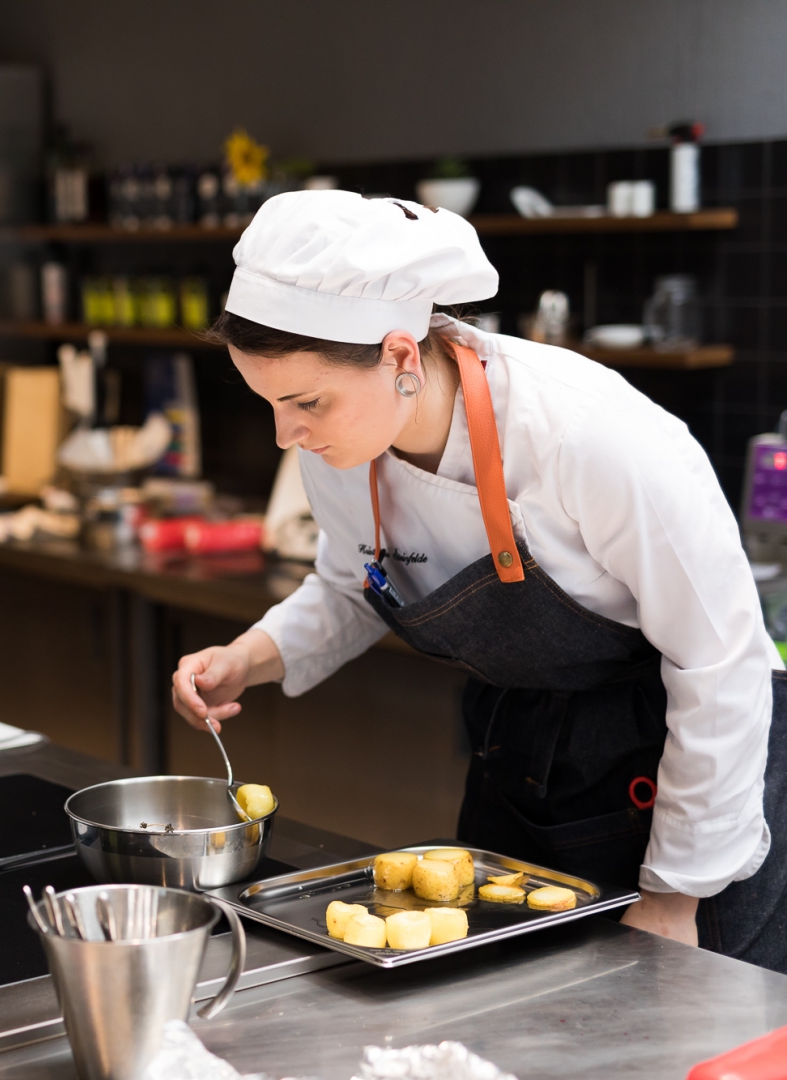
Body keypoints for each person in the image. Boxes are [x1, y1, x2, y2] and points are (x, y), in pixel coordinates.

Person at [170, 190, 787, 970]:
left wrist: (674, 896)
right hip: (519, 759)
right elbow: (357, 582)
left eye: (306, 403)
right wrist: (249, 657)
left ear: (401, 357)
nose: (285, 434)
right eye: (269, 403)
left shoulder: (587, 435)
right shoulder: (339, 447)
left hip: (681, 777)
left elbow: (719, 663)